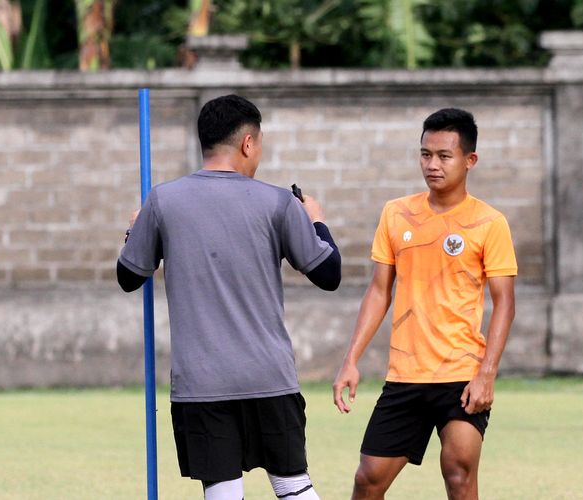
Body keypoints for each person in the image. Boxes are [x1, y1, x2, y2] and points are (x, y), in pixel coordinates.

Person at [117, 94, 341, 500]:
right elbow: (329, 274)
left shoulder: (162, 201)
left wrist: (135, 231)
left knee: (222, 492)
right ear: (248, 143)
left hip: (202, 384)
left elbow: (129, 276)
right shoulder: (278, 202)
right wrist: (317, 221)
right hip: (269, 377)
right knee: (293, 485)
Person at [332, 108, 517, 500]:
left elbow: (505, 303)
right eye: (425, 154)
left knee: (458, 471)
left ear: (470, 160)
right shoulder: (395, 213)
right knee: (369, 479)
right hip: (406, 373)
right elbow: (379, 291)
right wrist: (351, 360)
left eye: (444, 156)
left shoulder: (489, 222)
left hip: (461, 372)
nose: (432, 165)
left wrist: (487, 373)